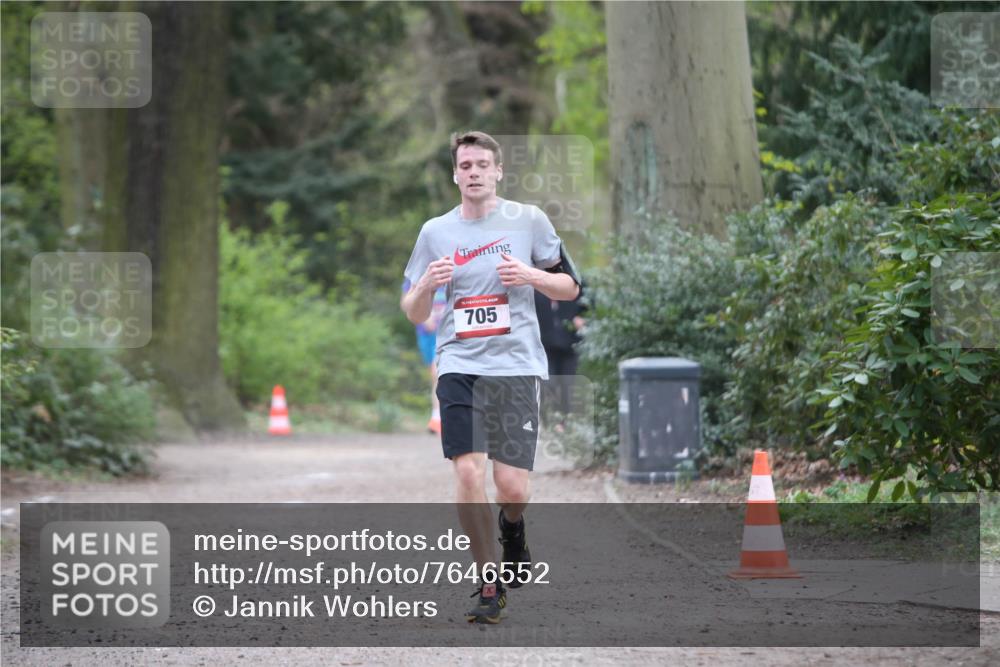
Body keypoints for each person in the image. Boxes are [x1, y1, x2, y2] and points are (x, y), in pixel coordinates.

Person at [400, 131, 581, 624]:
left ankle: (514, 530)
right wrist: (426, 286)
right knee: (466, 472)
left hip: (516, 366)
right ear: (455, 174)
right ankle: (488, 584)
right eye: (466, 165)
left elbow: (570, 287)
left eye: (483, 163)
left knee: (513, 489)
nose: (474, 171)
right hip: (460, 364)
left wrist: (532, 277)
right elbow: (414, 311)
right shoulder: (435, 231)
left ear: (499, 171)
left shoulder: (528, 221)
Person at [401, 280, 447, 434]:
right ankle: (440, 415)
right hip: (427, 334)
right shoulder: (417, 270)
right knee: (436, 376)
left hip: (449, 332)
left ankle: (437, 418)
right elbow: (405, 303)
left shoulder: (456, 265)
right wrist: (424, 316)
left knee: (438, 372)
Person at [534, 289, 586, 425]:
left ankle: (563, 422)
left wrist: (582, 318)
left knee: (567, 385)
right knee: (548, 383)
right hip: (545, 346)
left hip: (569, 345)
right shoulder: (536, 288)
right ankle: (546, 420)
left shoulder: (572, 284)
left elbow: (587, 303)